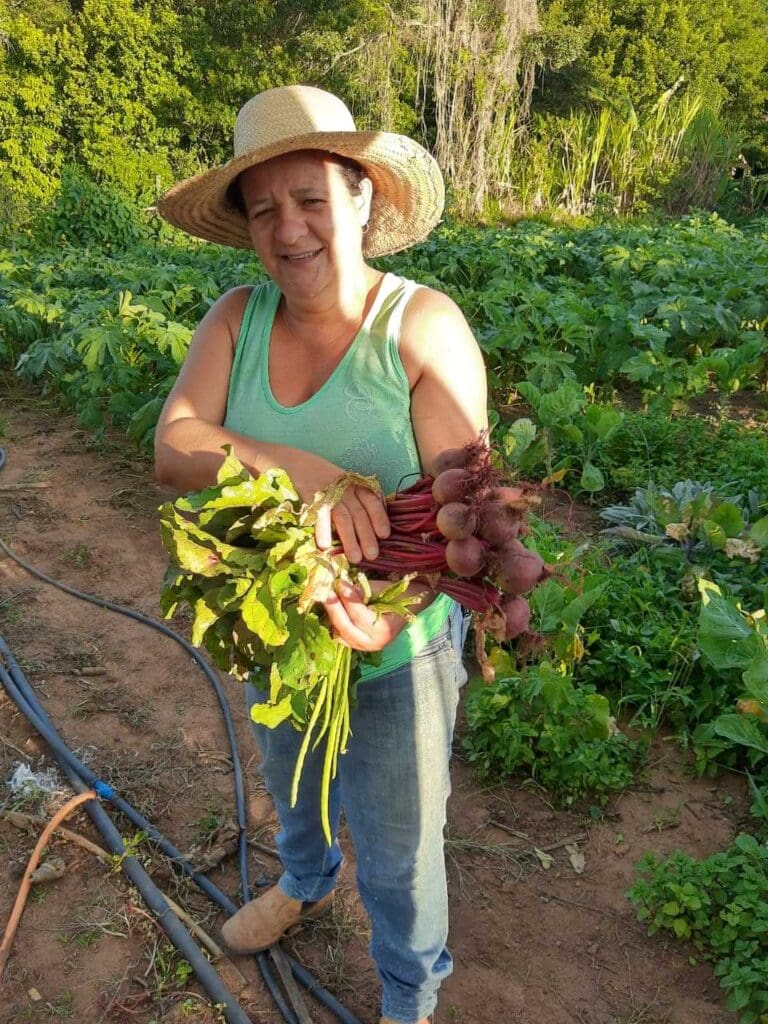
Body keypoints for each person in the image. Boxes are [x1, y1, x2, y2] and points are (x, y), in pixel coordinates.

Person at [154, 84, 488, 1024]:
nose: (287, 230)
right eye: (264, 210)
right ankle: (305, 880)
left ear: (362, 199)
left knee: (399, 848)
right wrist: (297, 465)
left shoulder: (421, 329)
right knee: (290, 780)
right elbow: (174, 445)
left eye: (309, 200)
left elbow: (463, 519)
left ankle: (408, 995)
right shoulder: (236, 319)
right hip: (280, 633)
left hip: (394, 647)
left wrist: (394, 610)